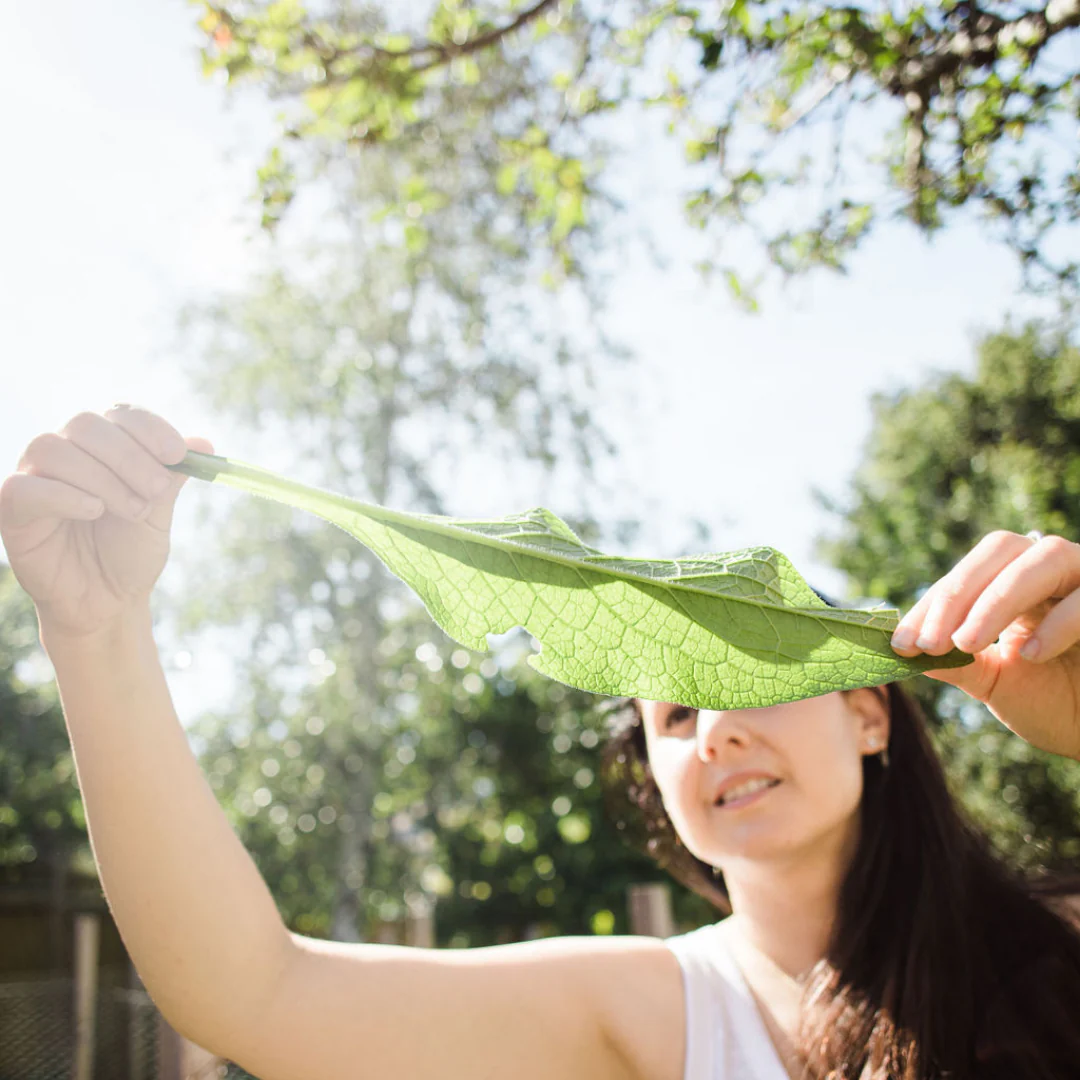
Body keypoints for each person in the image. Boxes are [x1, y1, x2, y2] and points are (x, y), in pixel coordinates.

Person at [1, 405, 1078, 1080]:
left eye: (746, 683)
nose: (716, 733)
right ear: (656, 784)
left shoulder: (1056, 950)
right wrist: (95, 635)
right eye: (673, 715)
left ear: (870, 709)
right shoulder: (654, 1010)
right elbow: (253, 995)